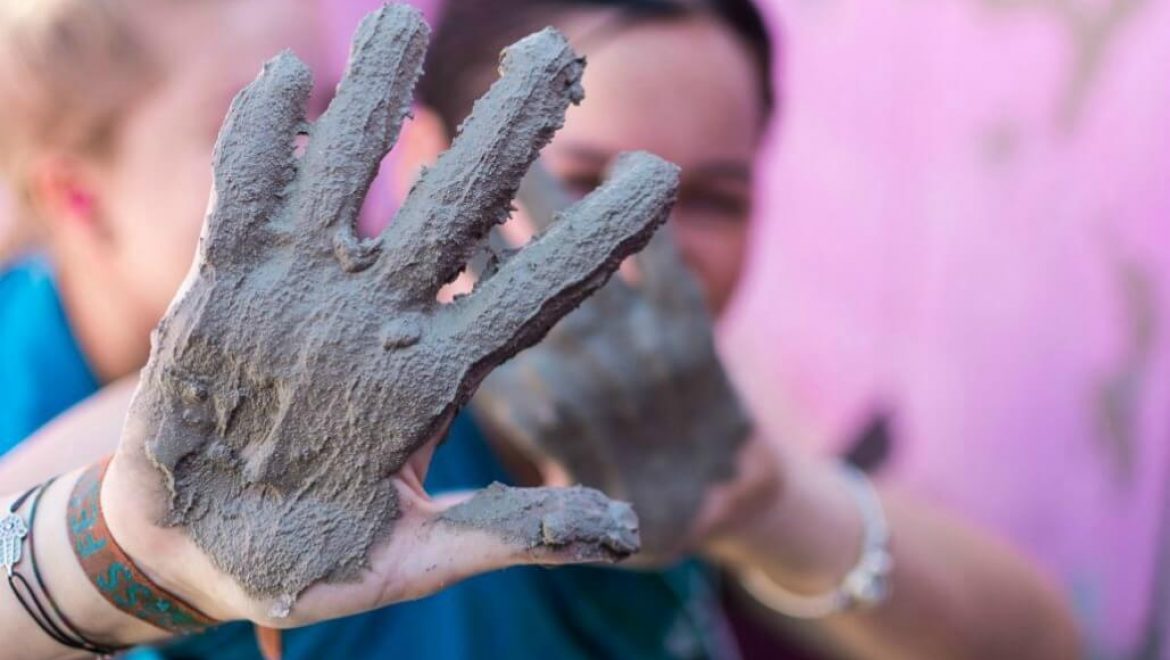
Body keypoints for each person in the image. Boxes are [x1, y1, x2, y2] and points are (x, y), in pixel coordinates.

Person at [0, 1, 1080, 659]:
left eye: (711, 197)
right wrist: (113, 555)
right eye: (582, 182)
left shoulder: (680, 427)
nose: (643, 249)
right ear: (430, 170)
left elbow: (1041, 645)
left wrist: (765, 502)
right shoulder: (316, 408)